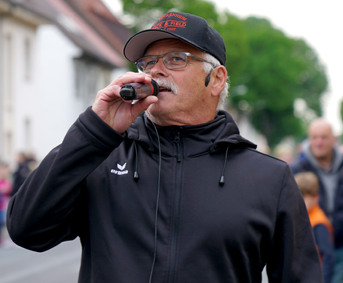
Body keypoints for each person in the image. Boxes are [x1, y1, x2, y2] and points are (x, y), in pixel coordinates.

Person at [7, 12, 323, 282]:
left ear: (215, 79)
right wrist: (93, 129)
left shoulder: (269, 178)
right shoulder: (102, 157)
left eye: (175, 59)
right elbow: (27, 230)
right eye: (148, 61)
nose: (155, 70)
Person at [291, 118, 343, 283]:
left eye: (324, 137)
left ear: (333, 139)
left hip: (340, 244)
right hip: (310, 247)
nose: (319, 142)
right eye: (314, 137)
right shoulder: (296, 170)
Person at [294, 171, 335, 283]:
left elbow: (328, 256)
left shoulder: (319, 222)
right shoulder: (303, 217)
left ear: (316, 197)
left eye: (305, 198)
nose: (300, 202)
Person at [0, 161, 12, 245]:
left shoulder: (6, 182)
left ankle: (2, 239)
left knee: (2, 223)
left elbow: (7, 189)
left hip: (3, 206)